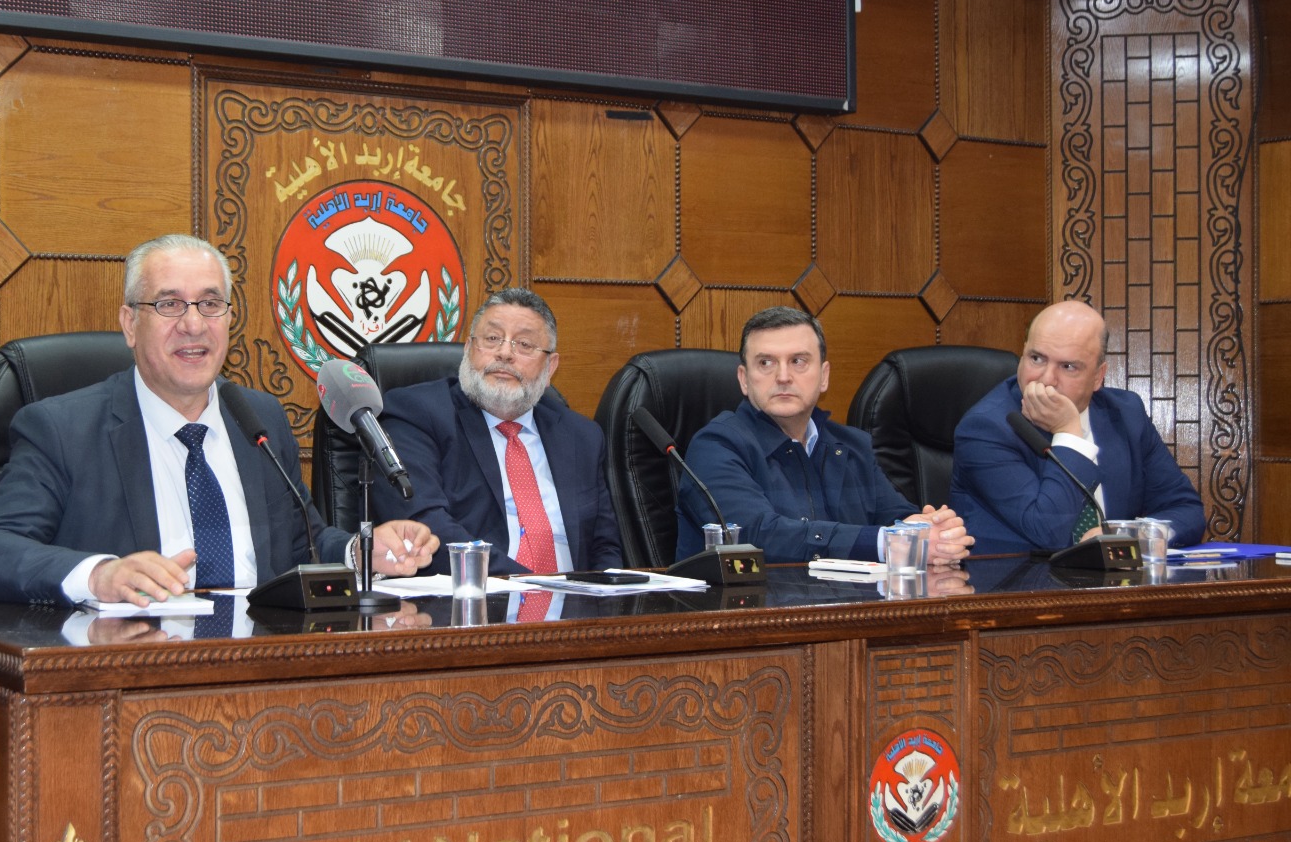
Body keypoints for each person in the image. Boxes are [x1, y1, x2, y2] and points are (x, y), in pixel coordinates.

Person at [0, 233, 437, 606]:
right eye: (169, 304)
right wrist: (99, 575)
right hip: (132, 667)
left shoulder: (258, 418)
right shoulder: (61, 429)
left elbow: (303, 543)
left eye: (210, 304)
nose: (193, 324)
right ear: (130, 324)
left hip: (263, 663)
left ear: (228, 319)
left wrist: (359, 553)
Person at [675, 306, 973, 565]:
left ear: (824, 376)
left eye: (798, 361)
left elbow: (895, 517)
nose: (783, 376)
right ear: (744, 379)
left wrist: (932, 532)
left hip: (853, 608)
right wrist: (888, 543)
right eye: (765, 363)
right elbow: (755, 536)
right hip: (751, 610)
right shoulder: (715, 447)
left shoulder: (852, 446)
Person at [372, 288, 623, 577]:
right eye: (492, 339)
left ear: (550, 366)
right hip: (478, 595)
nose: (504, 353)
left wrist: (605, 596)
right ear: (468, 349)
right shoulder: (416, 412)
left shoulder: (582, 436)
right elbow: (424, 527)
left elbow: (605, 546)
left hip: (576, 599)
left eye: (524, 344)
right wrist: (528, 586)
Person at [948, 299, 1205, 554]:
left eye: (1068, 366)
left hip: (1115, 579)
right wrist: (1069, 434)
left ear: (1098, 377)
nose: (1047, 379)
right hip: (1017, 578)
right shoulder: (986, 428)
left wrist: (1129, 537)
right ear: (1023, 353)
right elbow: (1048, 533)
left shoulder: (1127, 415)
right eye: (1036, 358)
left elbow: (1186, 510)